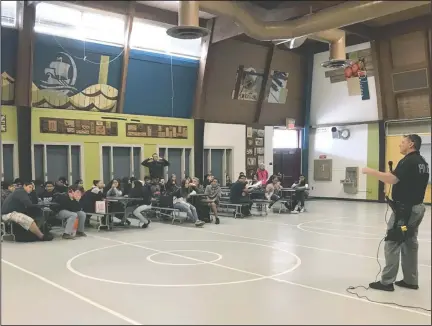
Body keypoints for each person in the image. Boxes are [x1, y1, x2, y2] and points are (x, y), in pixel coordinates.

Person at [362, 134, 429, 292]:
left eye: (403, 142)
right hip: (416, 209)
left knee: (393, 240)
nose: (400, 145)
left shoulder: (408, 161)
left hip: (404, 212)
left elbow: (392, 179)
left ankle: (386, 282)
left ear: (411, 144)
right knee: (409, 241)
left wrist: (370, 171)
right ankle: (410, 280)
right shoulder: (422, 162)